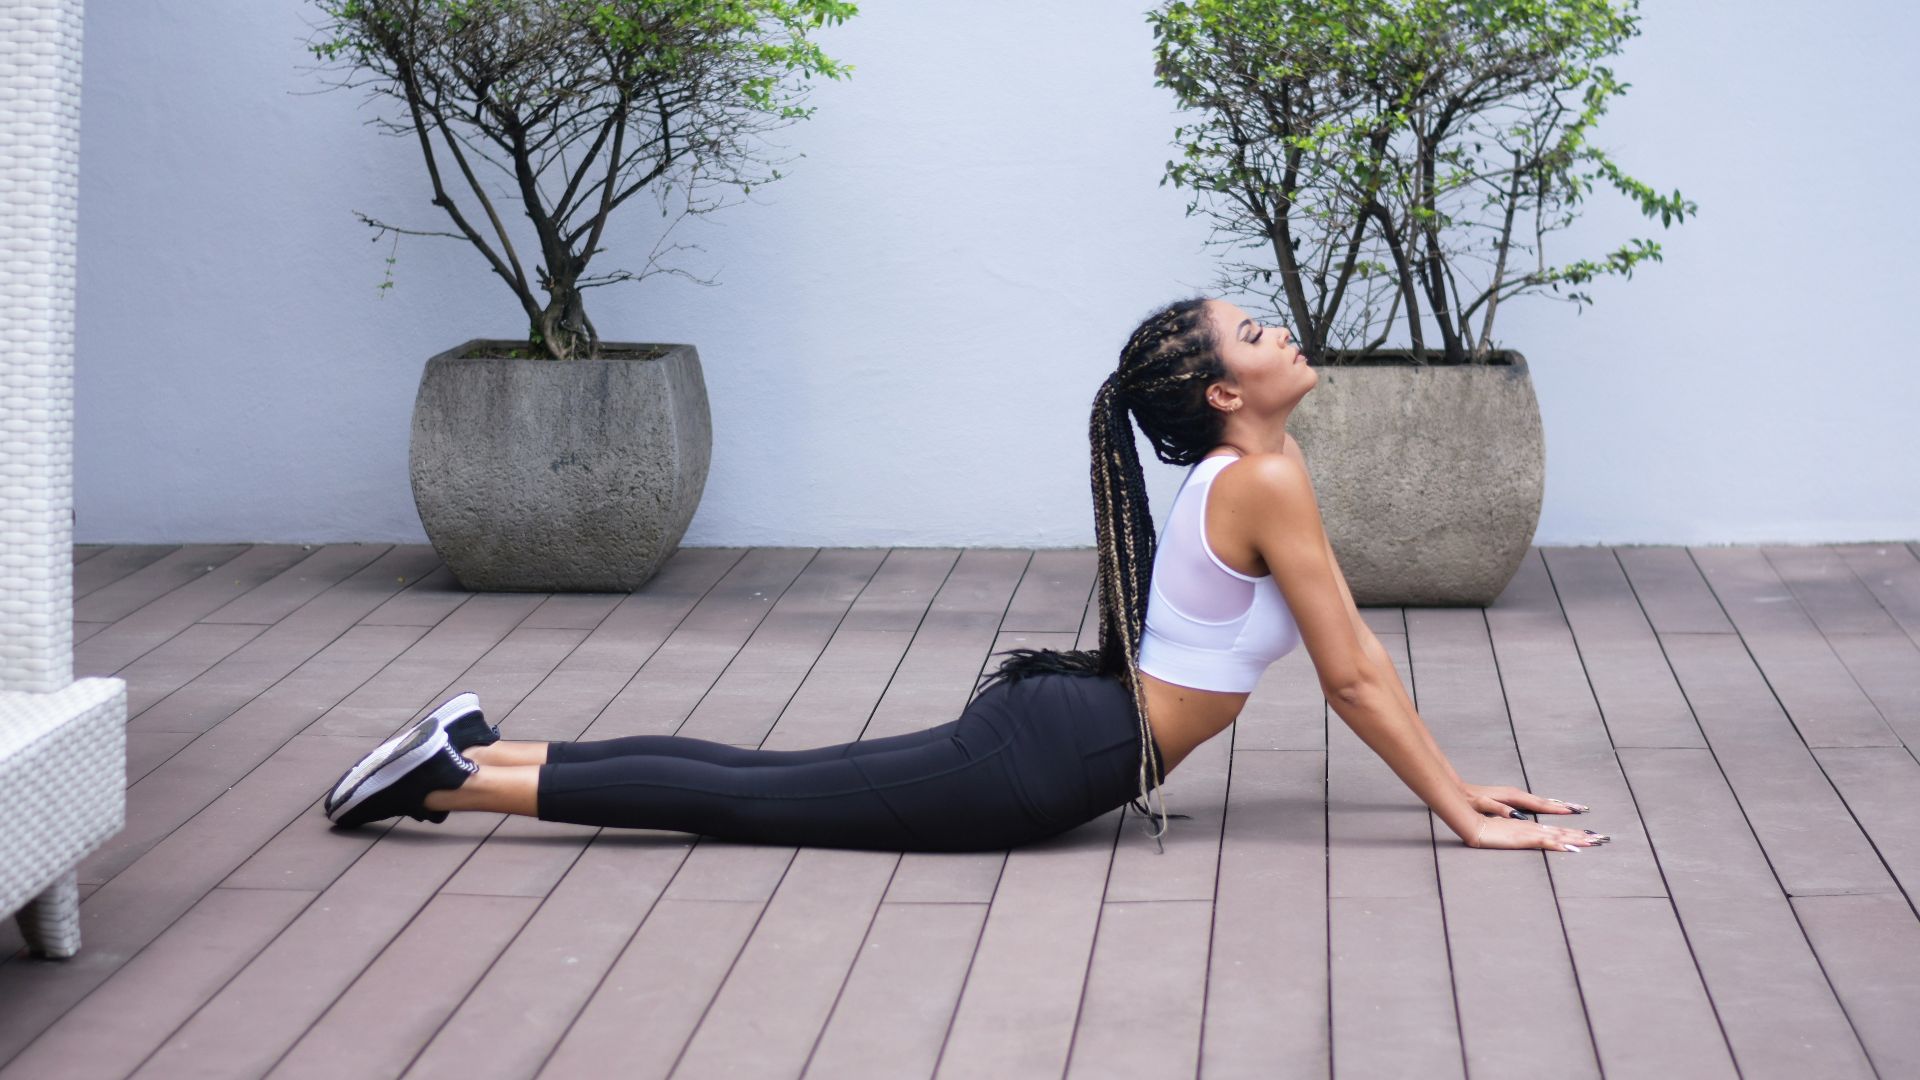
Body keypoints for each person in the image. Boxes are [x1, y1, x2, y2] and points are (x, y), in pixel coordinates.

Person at [323, 296, 1610, 856]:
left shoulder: (1254, 473)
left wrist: (1458, 789)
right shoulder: (1265, 477)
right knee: (759, 799)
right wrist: (1457, 809)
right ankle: (453, 785)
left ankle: (470, 757)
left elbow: (1356, 674)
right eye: (1256, 331)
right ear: (1226, 392)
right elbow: (1354, 673)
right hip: (1050, 761)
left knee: (765, 786)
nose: (1281, 329)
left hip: (1072, 743)